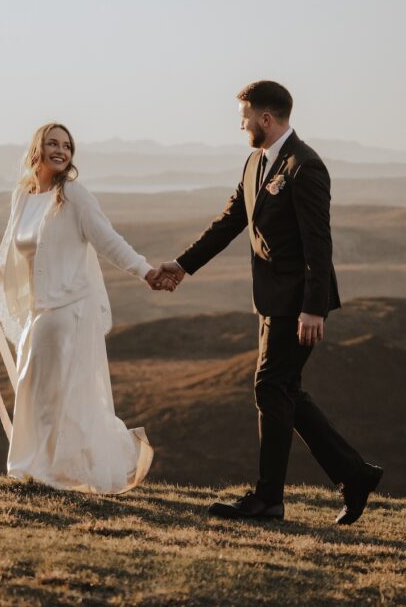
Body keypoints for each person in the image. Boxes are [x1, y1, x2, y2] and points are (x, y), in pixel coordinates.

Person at [153, 81, 383, 524]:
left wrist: (313, 308)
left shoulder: (305, 166)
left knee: (269, 387)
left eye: (244, 117)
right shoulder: (255, 162)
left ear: (265, 118)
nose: (240, 125)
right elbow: (230, 221)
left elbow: (319, 244)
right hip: (271, 301)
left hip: (298, 304)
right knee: (283, 390)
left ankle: (268, 499)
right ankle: (354, 475)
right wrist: (183, 265)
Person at [0, 122, 161, 494]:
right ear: (38, 149)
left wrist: (146, 271)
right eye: (53, 143)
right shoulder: (24, 195)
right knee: (32, 386)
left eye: (67, 145)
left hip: (68, 307)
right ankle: (30, 467)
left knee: (48, 391)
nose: (61, 151)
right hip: (39, 309)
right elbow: (11, 251)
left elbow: (108, 241)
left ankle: (46, 472)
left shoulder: (74, 197)